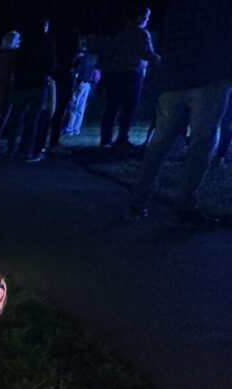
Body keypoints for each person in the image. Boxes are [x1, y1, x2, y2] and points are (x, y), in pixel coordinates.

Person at [129, 0, 232, 225]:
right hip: (208, 78)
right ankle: (185, 204)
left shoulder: (176, 7)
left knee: (160, 142)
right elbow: (220, 38)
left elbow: (169, 39)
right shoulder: (218, 7)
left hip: (174, 79)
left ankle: (138, 200)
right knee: (202, 141)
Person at [99, 5, 160, 149]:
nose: (148, 20)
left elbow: (107, 52)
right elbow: (146, 54)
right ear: (139, 18)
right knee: (129, 108)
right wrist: (161, 60)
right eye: (146, 17)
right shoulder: (141, 34)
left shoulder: (118, 33)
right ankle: (122, 138)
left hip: (113, 73)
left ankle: (105, 139)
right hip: (131, 74)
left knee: (111, 107)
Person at [8, 18, 57, 162]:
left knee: (16, 117)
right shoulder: (48, 42)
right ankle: (27, 152)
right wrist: (47, 74)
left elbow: (17, 61)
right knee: (32, 120)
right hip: (38, 83)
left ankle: (10, 150)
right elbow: (52, 64)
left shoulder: (26, 42)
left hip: (21, 83)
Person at [62, 41, 100, 135]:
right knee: (81, 108)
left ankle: (69, 128)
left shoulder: (80, 58)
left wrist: (73, 85)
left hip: (79, 83)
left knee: (73, 106)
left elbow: (75, 72)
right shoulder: (91, 58)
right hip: (87, 84)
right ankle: (76, 128)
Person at [0, 31, 22, 149]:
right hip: (9, 89)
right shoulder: (13, 56)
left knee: (1, 116)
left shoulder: (0, 56)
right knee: (7, 116)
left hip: (0, 88)